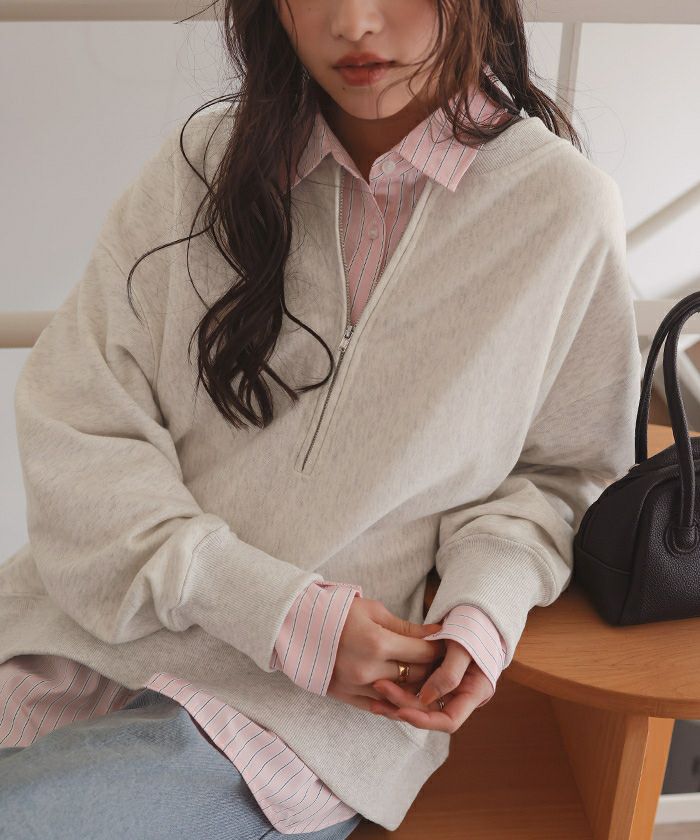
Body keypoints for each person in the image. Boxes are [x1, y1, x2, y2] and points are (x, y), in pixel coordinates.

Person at [0, 0, 642, 837]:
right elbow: (79, 423)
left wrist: (485, 608)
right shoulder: (204, 167)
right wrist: (272, 610)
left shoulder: (560, 209)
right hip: (69, 635)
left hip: (292, 722)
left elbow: (559, 476)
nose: (353, 23)